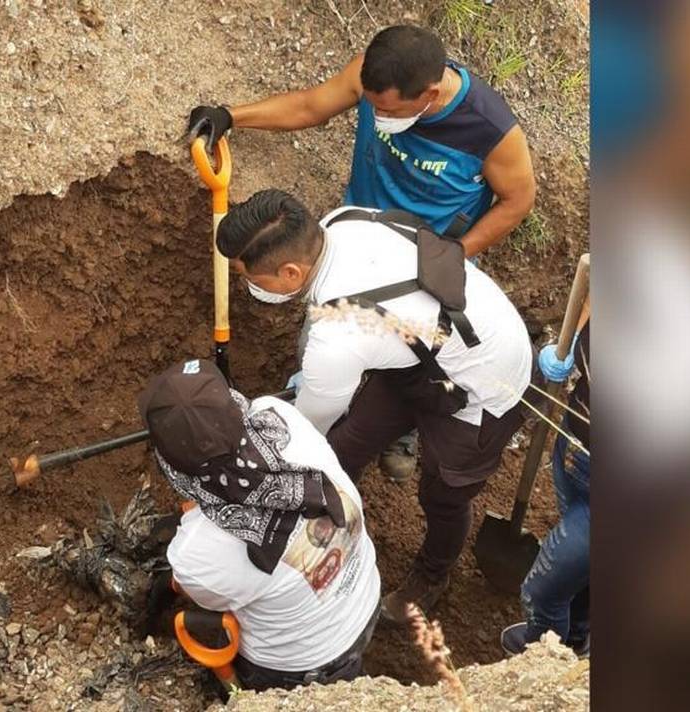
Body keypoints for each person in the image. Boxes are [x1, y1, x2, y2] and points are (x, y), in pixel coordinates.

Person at [187, 24, 535, 483]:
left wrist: (449, 255)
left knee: (419, 350)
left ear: (429, 94)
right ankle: (332, 391)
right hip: (357, 239)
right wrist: (231, 115)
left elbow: (519, 199)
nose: (376, 112)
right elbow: (311, 105)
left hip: (426, 270)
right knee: (331, 340)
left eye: (386, 109)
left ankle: (401, 430)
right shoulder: (375, 78)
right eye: (371, 104)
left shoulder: (488, 129)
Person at [214, 189, 532, 624]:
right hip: (417, 357)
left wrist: (251, 452)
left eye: (248, 276)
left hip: (483, 386)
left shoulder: (339, 336)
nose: (247, 285)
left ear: (290, 272)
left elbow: (303, 432)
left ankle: (432, 575)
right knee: (346, 448)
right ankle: (334, 516)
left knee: (442, 493)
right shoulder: (344, 221)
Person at [138, 358, 381, 691]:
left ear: (174, 469)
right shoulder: (280, 416)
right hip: (365, 599)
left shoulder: (197, 554)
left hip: (302, 667)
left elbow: (207, 594)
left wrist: (172, 580)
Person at [501, 318, 590, 657]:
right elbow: (590, 280)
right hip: (574, 451)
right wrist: (574, 338)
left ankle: (545, 655)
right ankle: (579, 637)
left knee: (542, 593)